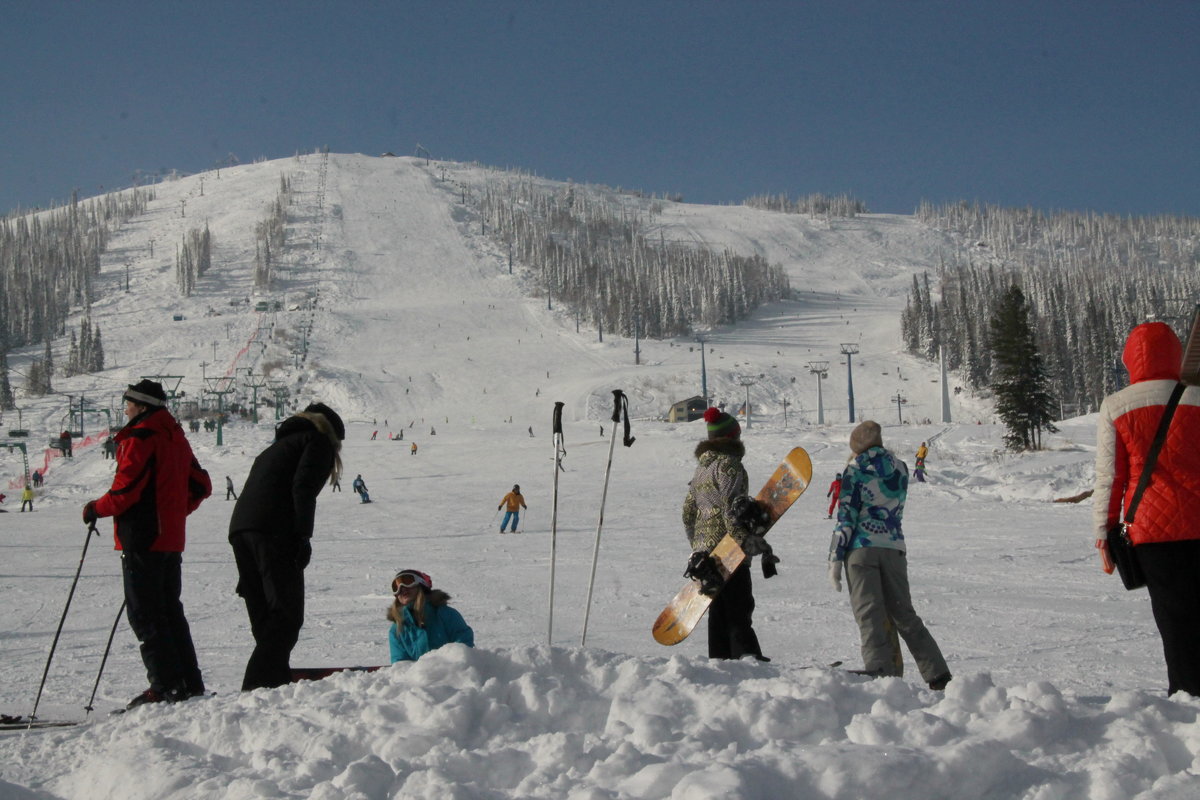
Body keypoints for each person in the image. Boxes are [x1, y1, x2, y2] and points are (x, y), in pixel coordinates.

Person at [81, 380, 212, 707]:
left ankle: (165, 686)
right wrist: (173, 515)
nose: (124, 409)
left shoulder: (142, 437)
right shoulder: (174, 435)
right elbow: (201, 485)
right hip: (169, 538)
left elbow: (125, 492)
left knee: (147, 615)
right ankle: (188, 683)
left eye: (127, 403)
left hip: (143, 538)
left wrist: (94, 508)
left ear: (140, 405)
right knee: (169, 611)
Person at [1094, 321, 1200, 696]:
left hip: (1153, 534)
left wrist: (1103, 533)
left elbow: (1111, 479)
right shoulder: (1197, 397)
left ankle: (1187, 696)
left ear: (1130, 360)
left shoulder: (1117, 405)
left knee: (1175, 620)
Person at [229, 402, 344, 691]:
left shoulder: (275, 447)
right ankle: (256, 686)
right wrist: (302, 536)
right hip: (273, 530)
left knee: (266, 614)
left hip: (242, 529)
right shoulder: (316, 442)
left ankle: (273, 680)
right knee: (286, 615)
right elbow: (303, 487)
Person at [829, 420, 951, 690]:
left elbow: (846, 518)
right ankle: (937, 673)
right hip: (894, 547)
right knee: (904, 613)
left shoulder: (855, 469)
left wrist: (835, 558)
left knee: (870, 612)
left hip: (861, 549)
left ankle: (881, 671)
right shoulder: (901, 468)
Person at [682, 407, 771, 661]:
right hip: (728, 549)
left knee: (718, 610)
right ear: (732, 437)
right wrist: (743, 540)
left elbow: (688, 513)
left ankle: (719, 661)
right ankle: (747, 658)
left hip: (705, 555)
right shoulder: (729, 465)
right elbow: (732, 507)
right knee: (738, 606)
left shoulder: (700, 470)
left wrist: (699, 544)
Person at [387, 569, 474, 662]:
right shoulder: (397, 630)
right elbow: (400, 665)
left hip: (452, 673)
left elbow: (463, 648)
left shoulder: (446, 614)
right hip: (418, 676)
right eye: (396, 587)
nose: (402, 588)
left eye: (408, 581)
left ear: (422, 586)